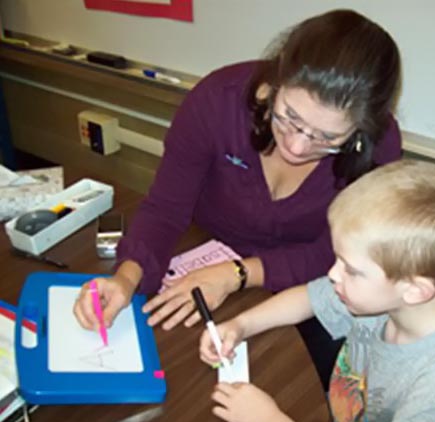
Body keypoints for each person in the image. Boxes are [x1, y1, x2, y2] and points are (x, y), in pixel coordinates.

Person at [73, 9, 401, 386]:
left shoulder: (380, 148)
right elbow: (166, 208)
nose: (295, 146)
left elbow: (332, 256)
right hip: (202, 255)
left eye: (326, 138)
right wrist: (126, 279)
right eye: (288, 116)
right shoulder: (218, 100)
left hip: (301, 292)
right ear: (276, 82)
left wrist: (237, 275)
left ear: (361, 130)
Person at [200, 159, 435, 422]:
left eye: (350, 269)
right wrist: (241, 326)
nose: (333, 274)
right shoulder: (391, 294)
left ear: (415, 290)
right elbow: (307, 299)